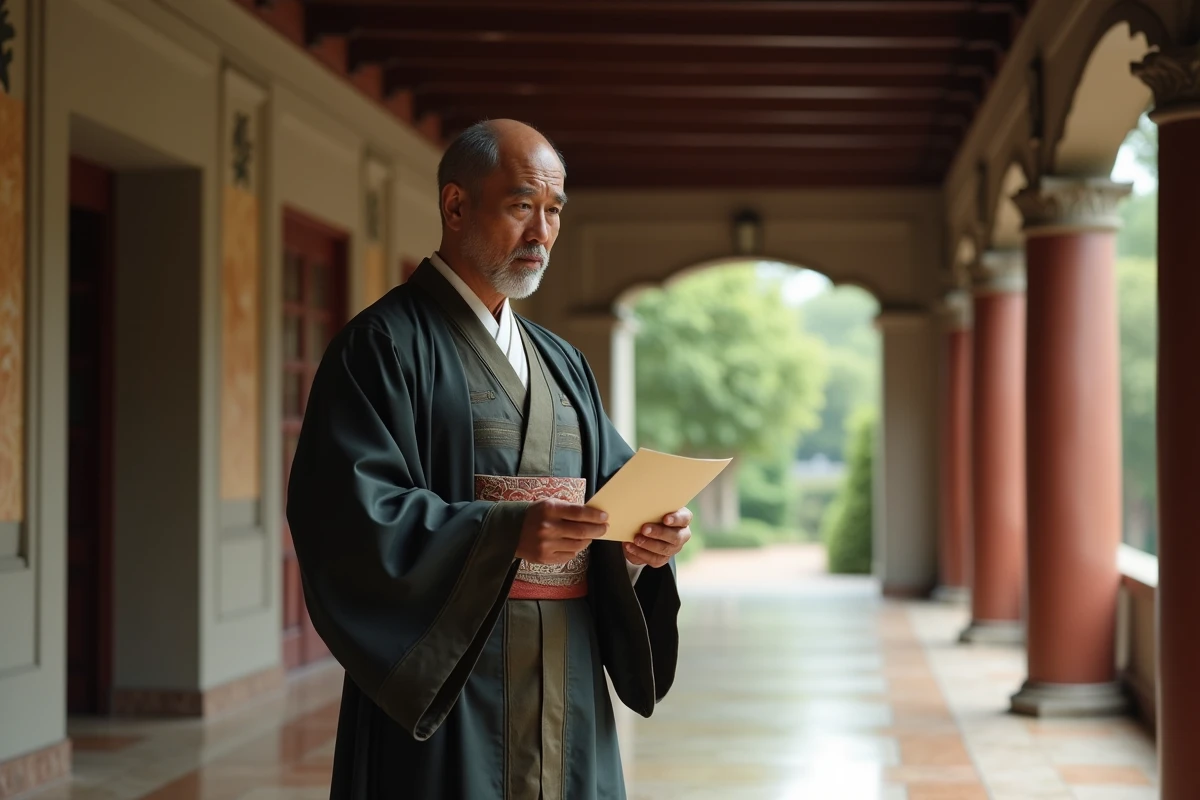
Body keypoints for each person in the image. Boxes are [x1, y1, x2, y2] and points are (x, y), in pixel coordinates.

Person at [285, 119, 689, 799]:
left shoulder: (561, 363)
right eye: (521, 206)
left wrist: (643, 543)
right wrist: (506, 533)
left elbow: (612, 494)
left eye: (553, 211)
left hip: (567, 677)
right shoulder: (382, 346)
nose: (541, 233)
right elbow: (347, 518)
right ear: (455, 206)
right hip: (451, 684)